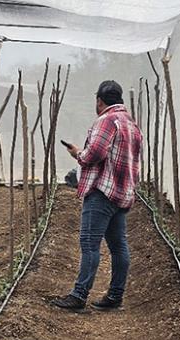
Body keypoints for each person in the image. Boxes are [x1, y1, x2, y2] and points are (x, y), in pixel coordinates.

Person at [51, 80, 143, 312]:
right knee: (118, 245)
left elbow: (95, 153)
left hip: (103, 192)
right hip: (123, 193)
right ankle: (115, 296)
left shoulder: (107, 120)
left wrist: (77, 154)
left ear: (99, 101)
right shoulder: (131, 123)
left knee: (89, 243)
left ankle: (79, 295)